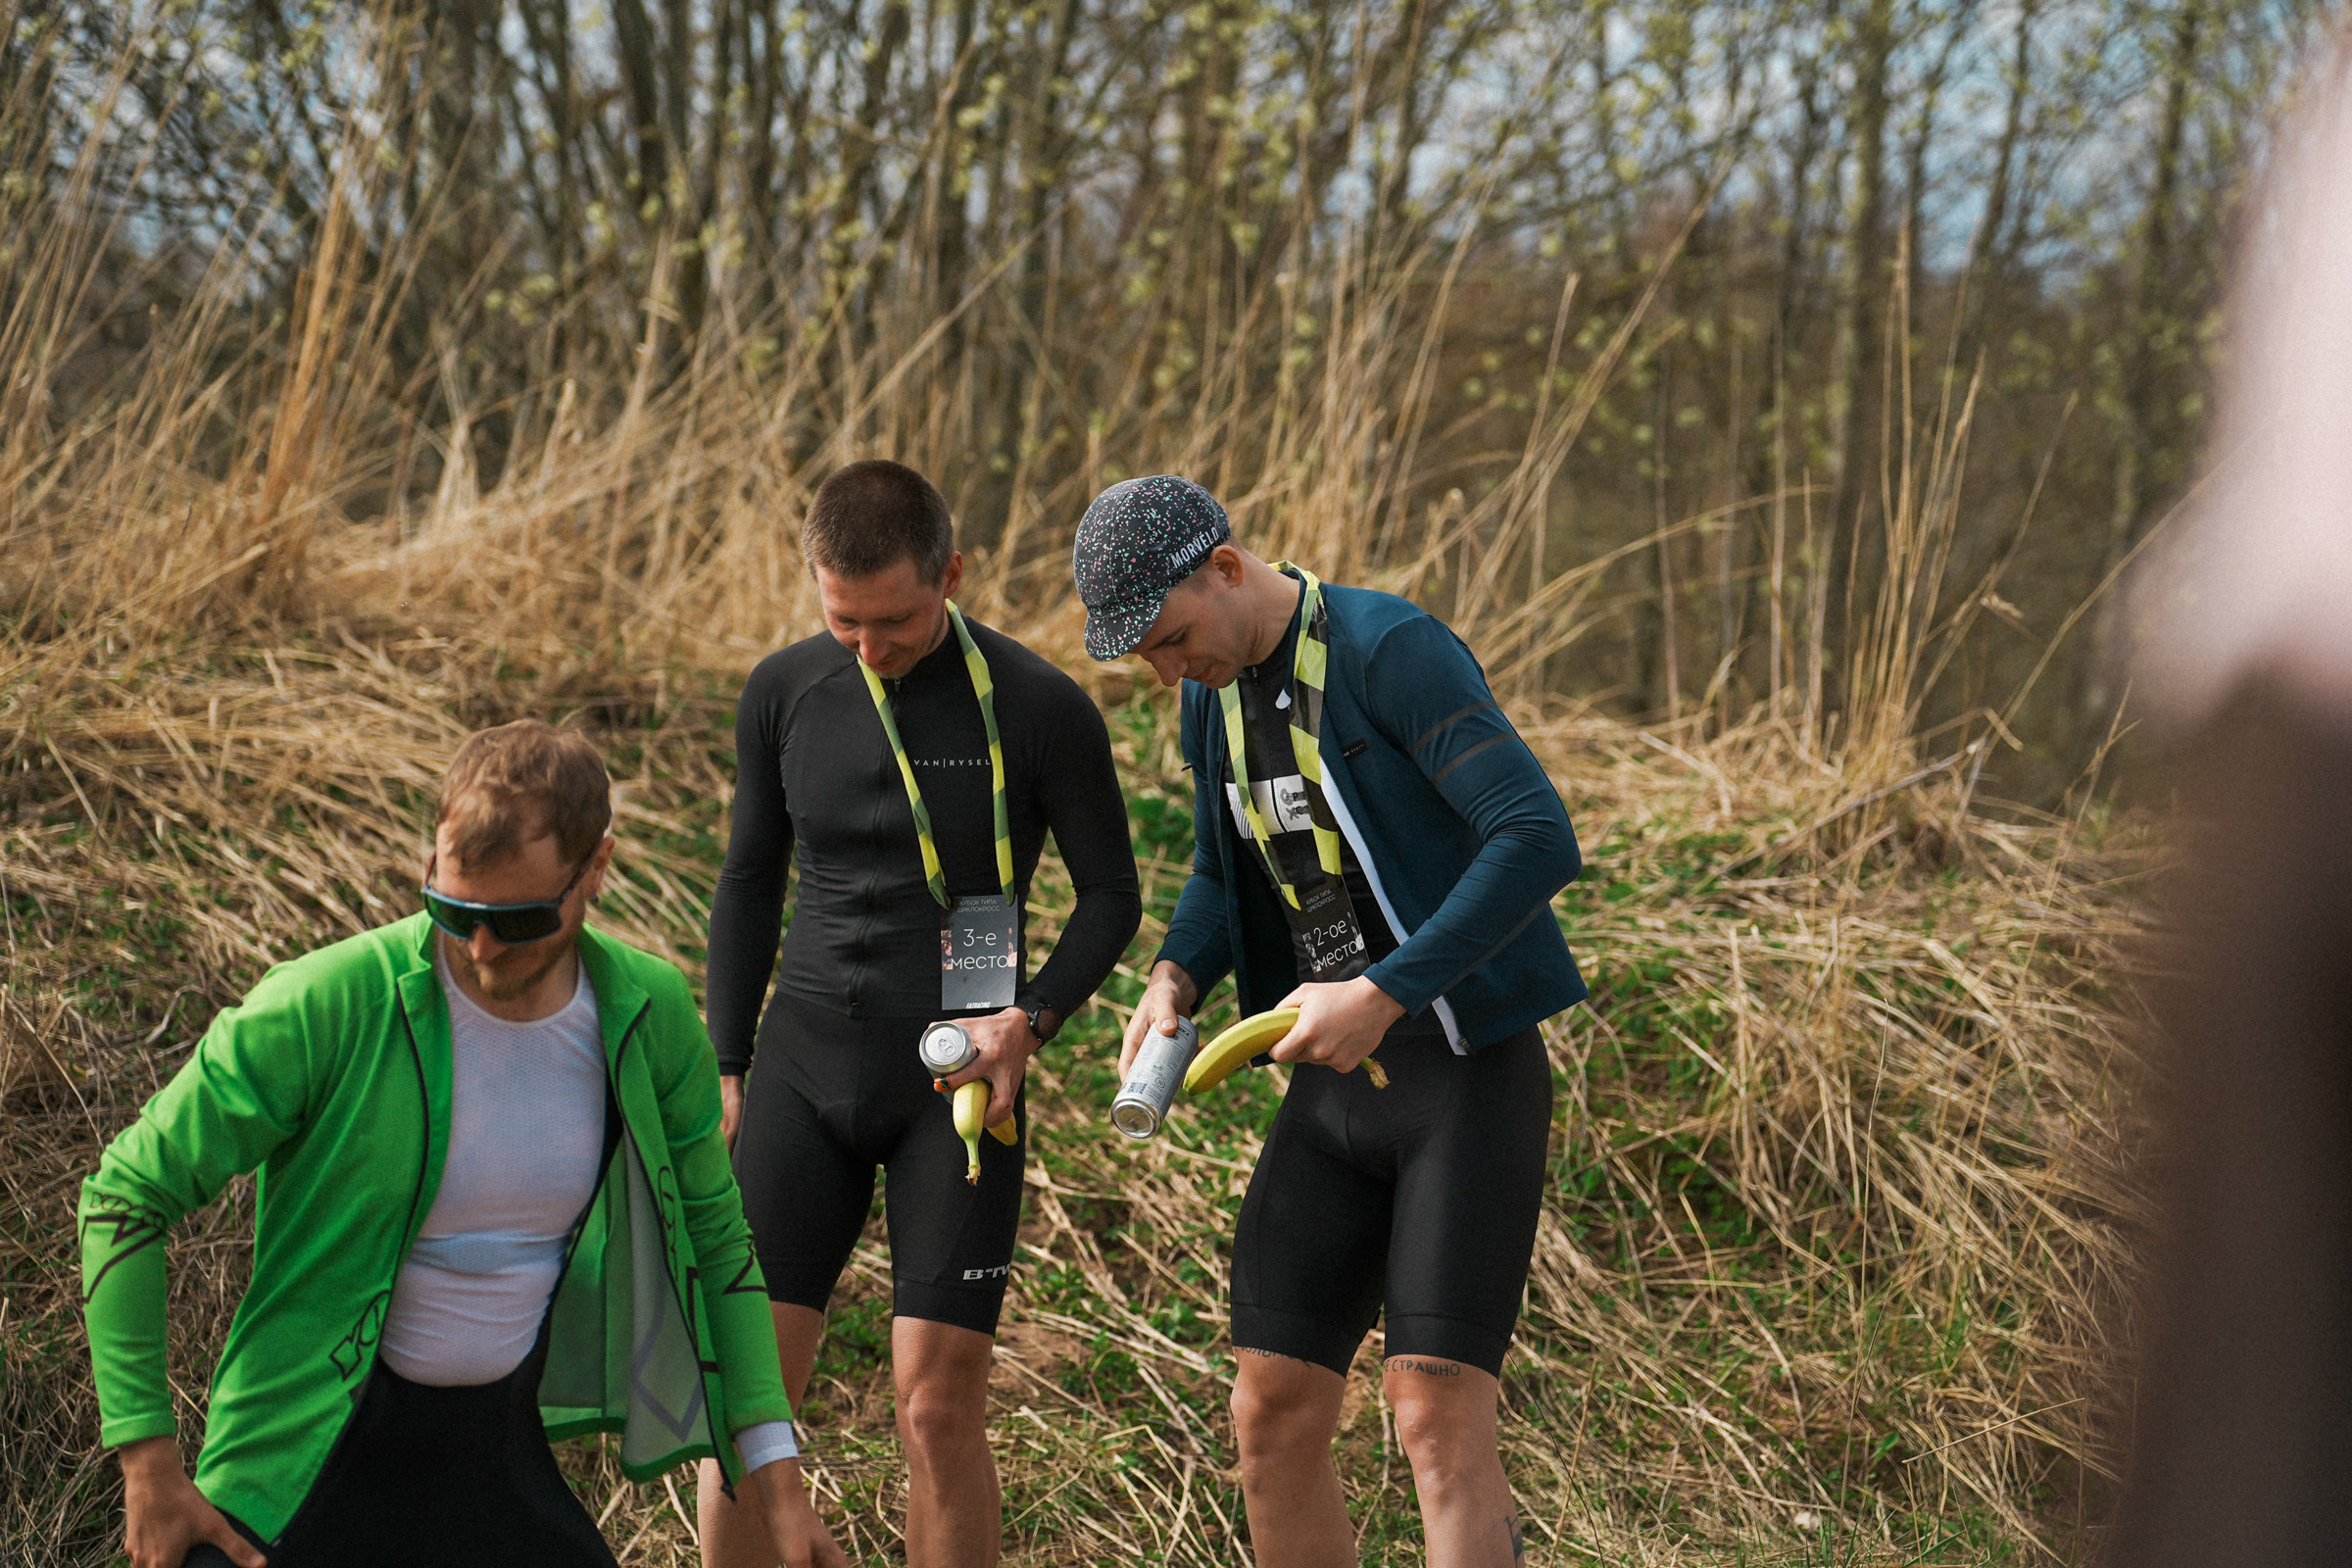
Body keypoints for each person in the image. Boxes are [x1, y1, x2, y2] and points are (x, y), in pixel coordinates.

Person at [78, 720, 846, 1568]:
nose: (480, 947)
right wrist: (148, 1463)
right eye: (453, 908)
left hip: (490, 1462)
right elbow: (124, 1196)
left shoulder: (643, 1012)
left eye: (517, 919)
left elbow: (717, 1244)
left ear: (596, 868)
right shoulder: (327, 1003)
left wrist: (780, 1484)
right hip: (293, 1472)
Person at [1077, 475, 1589, 1568]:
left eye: (1170, 640)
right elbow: (1224, 873)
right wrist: (1175, 977)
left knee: (1434, 1422)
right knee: (1269, 1413)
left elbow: (1537, 837)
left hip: (1463, 1076)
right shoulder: (1208, 693)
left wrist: (1389, 989)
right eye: (1148, 661)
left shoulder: (1387, 648)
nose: (1168, 672)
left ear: (1225, 567)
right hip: (1331, 1089)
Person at [695, 460, 1142, 1568]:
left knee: (937, 1409)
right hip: (803, 1065)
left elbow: (1112, 896)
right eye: (842, 619)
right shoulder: (785, 691)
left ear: (952, 573)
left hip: (957, 1079)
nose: (868, 648)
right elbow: (750, 881)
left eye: (893, 620)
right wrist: (726, 1063)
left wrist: (1028, 1023)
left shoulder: (1040, 708)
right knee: (748, 1406)